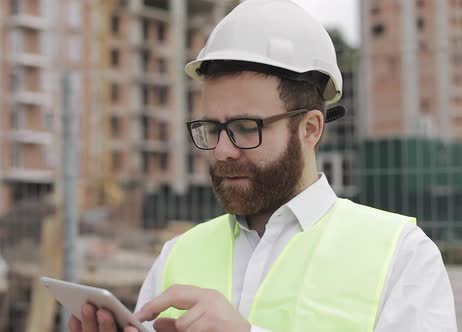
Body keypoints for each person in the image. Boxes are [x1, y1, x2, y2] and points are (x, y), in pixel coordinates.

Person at [69, 0, 457, 331]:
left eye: (244, 128)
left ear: (309, 128)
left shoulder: (401, 257)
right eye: (212, 128)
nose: (222, 150)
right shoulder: (176, 256)